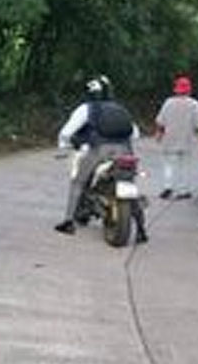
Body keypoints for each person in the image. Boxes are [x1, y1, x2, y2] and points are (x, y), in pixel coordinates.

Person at [55, 76, 148, 243]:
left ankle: (68, 222)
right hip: (126, 151)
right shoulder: (120, 108)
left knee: (78, 182)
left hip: (99, 151)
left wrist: (63, 145)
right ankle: (141, 229)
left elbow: (66, 132)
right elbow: (135, 133)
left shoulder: (87, 108)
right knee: (129, 182)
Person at [155, 75, 198, 200]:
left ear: (176, 89)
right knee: (185, 166)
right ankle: (183, 191)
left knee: (169, 164)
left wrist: (160, 133)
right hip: (186, 140)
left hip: (169, 139)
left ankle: (168, 187)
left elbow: (160, 121)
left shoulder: (168, 103)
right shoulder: (194, 104)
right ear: (189, 90)